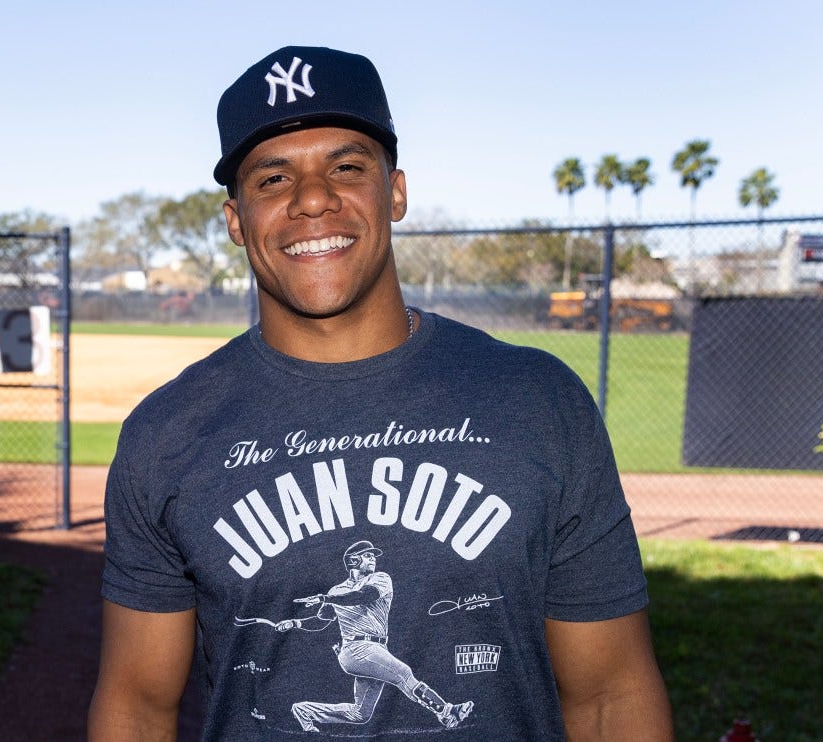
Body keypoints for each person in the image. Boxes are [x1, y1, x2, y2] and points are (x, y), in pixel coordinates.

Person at [88, 45, 673, 741]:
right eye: (274, 178)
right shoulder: (167, 433)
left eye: (345, 167)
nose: (311, 198)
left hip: (361, 643)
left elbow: (612, 695)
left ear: (394, 191)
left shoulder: (539, 401)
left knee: (382, 695)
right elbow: (136, 706)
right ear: (236, 221)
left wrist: (313, 600)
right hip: (353, 648)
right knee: (367, 708)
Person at [273, 540, 474, 732]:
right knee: (403, 673)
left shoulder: (380, 578)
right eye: (367, 556)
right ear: (353, 561)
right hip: (355, 650)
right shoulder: (337, 591)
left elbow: (363, 596)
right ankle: (447, 712)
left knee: (360, 714)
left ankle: (304, 710)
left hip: (377, 649)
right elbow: (321, 621)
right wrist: (294, 622)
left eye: (372, 556)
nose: (373, 559)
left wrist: (325, 598)